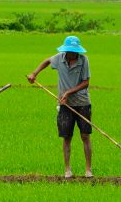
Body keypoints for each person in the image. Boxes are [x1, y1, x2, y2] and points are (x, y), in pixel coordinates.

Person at [26, 35, 93, 178]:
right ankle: (67, 169)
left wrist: (68, 92)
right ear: (66, 50)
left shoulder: (83, 60)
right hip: (64, 104)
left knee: (85, 135)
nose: (72, 54)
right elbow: (47, 61)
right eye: (70, 51)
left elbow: (86, 82)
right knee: (66, 137)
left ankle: (88, 169)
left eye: (75, 51)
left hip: (82, 103)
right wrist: (34, 73)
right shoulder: (59, 58)